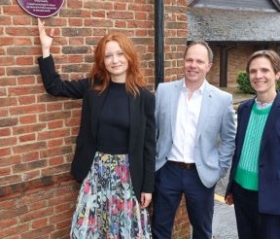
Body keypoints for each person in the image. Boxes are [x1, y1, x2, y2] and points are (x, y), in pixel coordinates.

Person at [37, 18, 156, 238]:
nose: (115, 60)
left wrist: (148, 186)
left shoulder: (144, 98)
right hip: (96, 171)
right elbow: (55, 87)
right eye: (108, 55)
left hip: (128, 176)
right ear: (102, 61)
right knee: (90, 231)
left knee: (123, 231)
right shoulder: (93, 88)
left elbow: (149, 147)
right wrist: (46, 48)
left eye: (120, 54)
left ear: (129, 57)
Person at [152, 40, 236, 239]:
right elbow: (152, 131)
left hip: (201, 175)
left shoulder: (222, 99)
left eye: (199, 61)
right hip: (167, 170)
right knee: (160, 228)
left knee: (202, 230)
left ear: (209, 66)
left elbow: (229, 139)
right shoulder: (164, 92)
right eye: (189, 59)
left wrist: (218, 169)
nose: (193, 65)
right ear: (183, 62)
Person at [225, 50, 280, 239]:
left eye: (265, 70)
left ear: (277, 74)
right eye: (253, 71)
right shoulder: (245, 108)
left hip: (272, 196)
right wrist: (231, 187)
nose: (258, 76)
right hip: (242, 192)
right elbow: (239, 150)